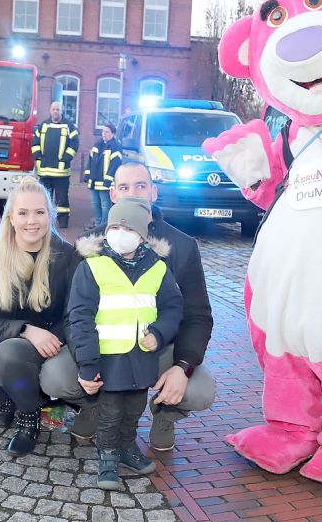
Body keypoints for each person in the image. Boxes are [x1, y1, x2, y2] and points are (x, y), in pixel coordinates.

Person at [41, 161, 216, 451]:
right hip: (103, 347)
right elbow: (73, 315)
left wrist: (183, 367)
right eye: (124, 187)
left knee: (199, 390)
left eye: (141, 185)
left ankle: (165, 414)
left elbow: (198, 316)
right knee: (56, 377)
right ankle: (94, 406)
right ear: (112, 195)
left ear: (154, 192)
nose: (132, 193)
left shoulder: (182, 246)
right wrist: (88, 362)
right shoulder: (89, 244)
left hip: (157, 349)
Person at [0, 177, 80, 457]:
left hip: (51, 345)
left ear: (50, 215)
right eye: (23, 213)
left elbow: (74, 314)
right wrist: (25, 330)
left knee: (11, 355)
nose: (31, 221)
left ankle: (29, 415)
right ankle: (11, 393)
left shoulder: (66, 255)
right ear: (10, 216)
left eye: (39, 212)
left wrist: (49, 336)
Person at [68, 197, 183, 489]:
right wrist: (87, 363)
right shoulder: (92, 267)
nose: (120, 232)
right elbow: (80, 317)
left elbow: (173, 307)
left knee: (134, 407)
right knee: (111, 411)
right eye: (115, 226)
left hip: (142, 356)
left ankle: (127, 447)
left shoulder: (158, 268)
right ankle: (108, 454)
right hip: (107, 358)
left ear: (142, 235)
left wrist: (158, 333)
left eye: (128, 227)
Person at [32, 101, 79, 228]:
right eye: (53, 109)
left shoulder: (69, 126)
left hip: (61, 172)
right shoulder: (43, 125)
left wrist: (66, 158)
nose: (55, 112)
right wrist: (38, 156)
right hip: (44, 171)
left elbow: (74, 143)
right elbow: (35, 142)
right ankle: (44, 222)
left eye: (58, 109)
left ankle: (63, 222)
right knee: (44, 199)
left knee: (62, 199)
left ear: (61, 111)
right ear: (50, 111)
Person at [85, 124, 122, 228]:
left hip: (105, 183)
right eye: (103, 132)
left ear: (113, 134)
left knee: (105, 206)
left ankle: (104, 226)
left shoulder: (115, 147)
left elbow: (115, 165)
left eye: (107, 132)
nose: (104, 134)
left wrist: (108, 181)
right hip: (94, 181)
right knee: (95, 205)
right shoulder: (97, 145)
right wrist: (87, 176)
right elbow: (90, 162)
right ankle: (97, 225)